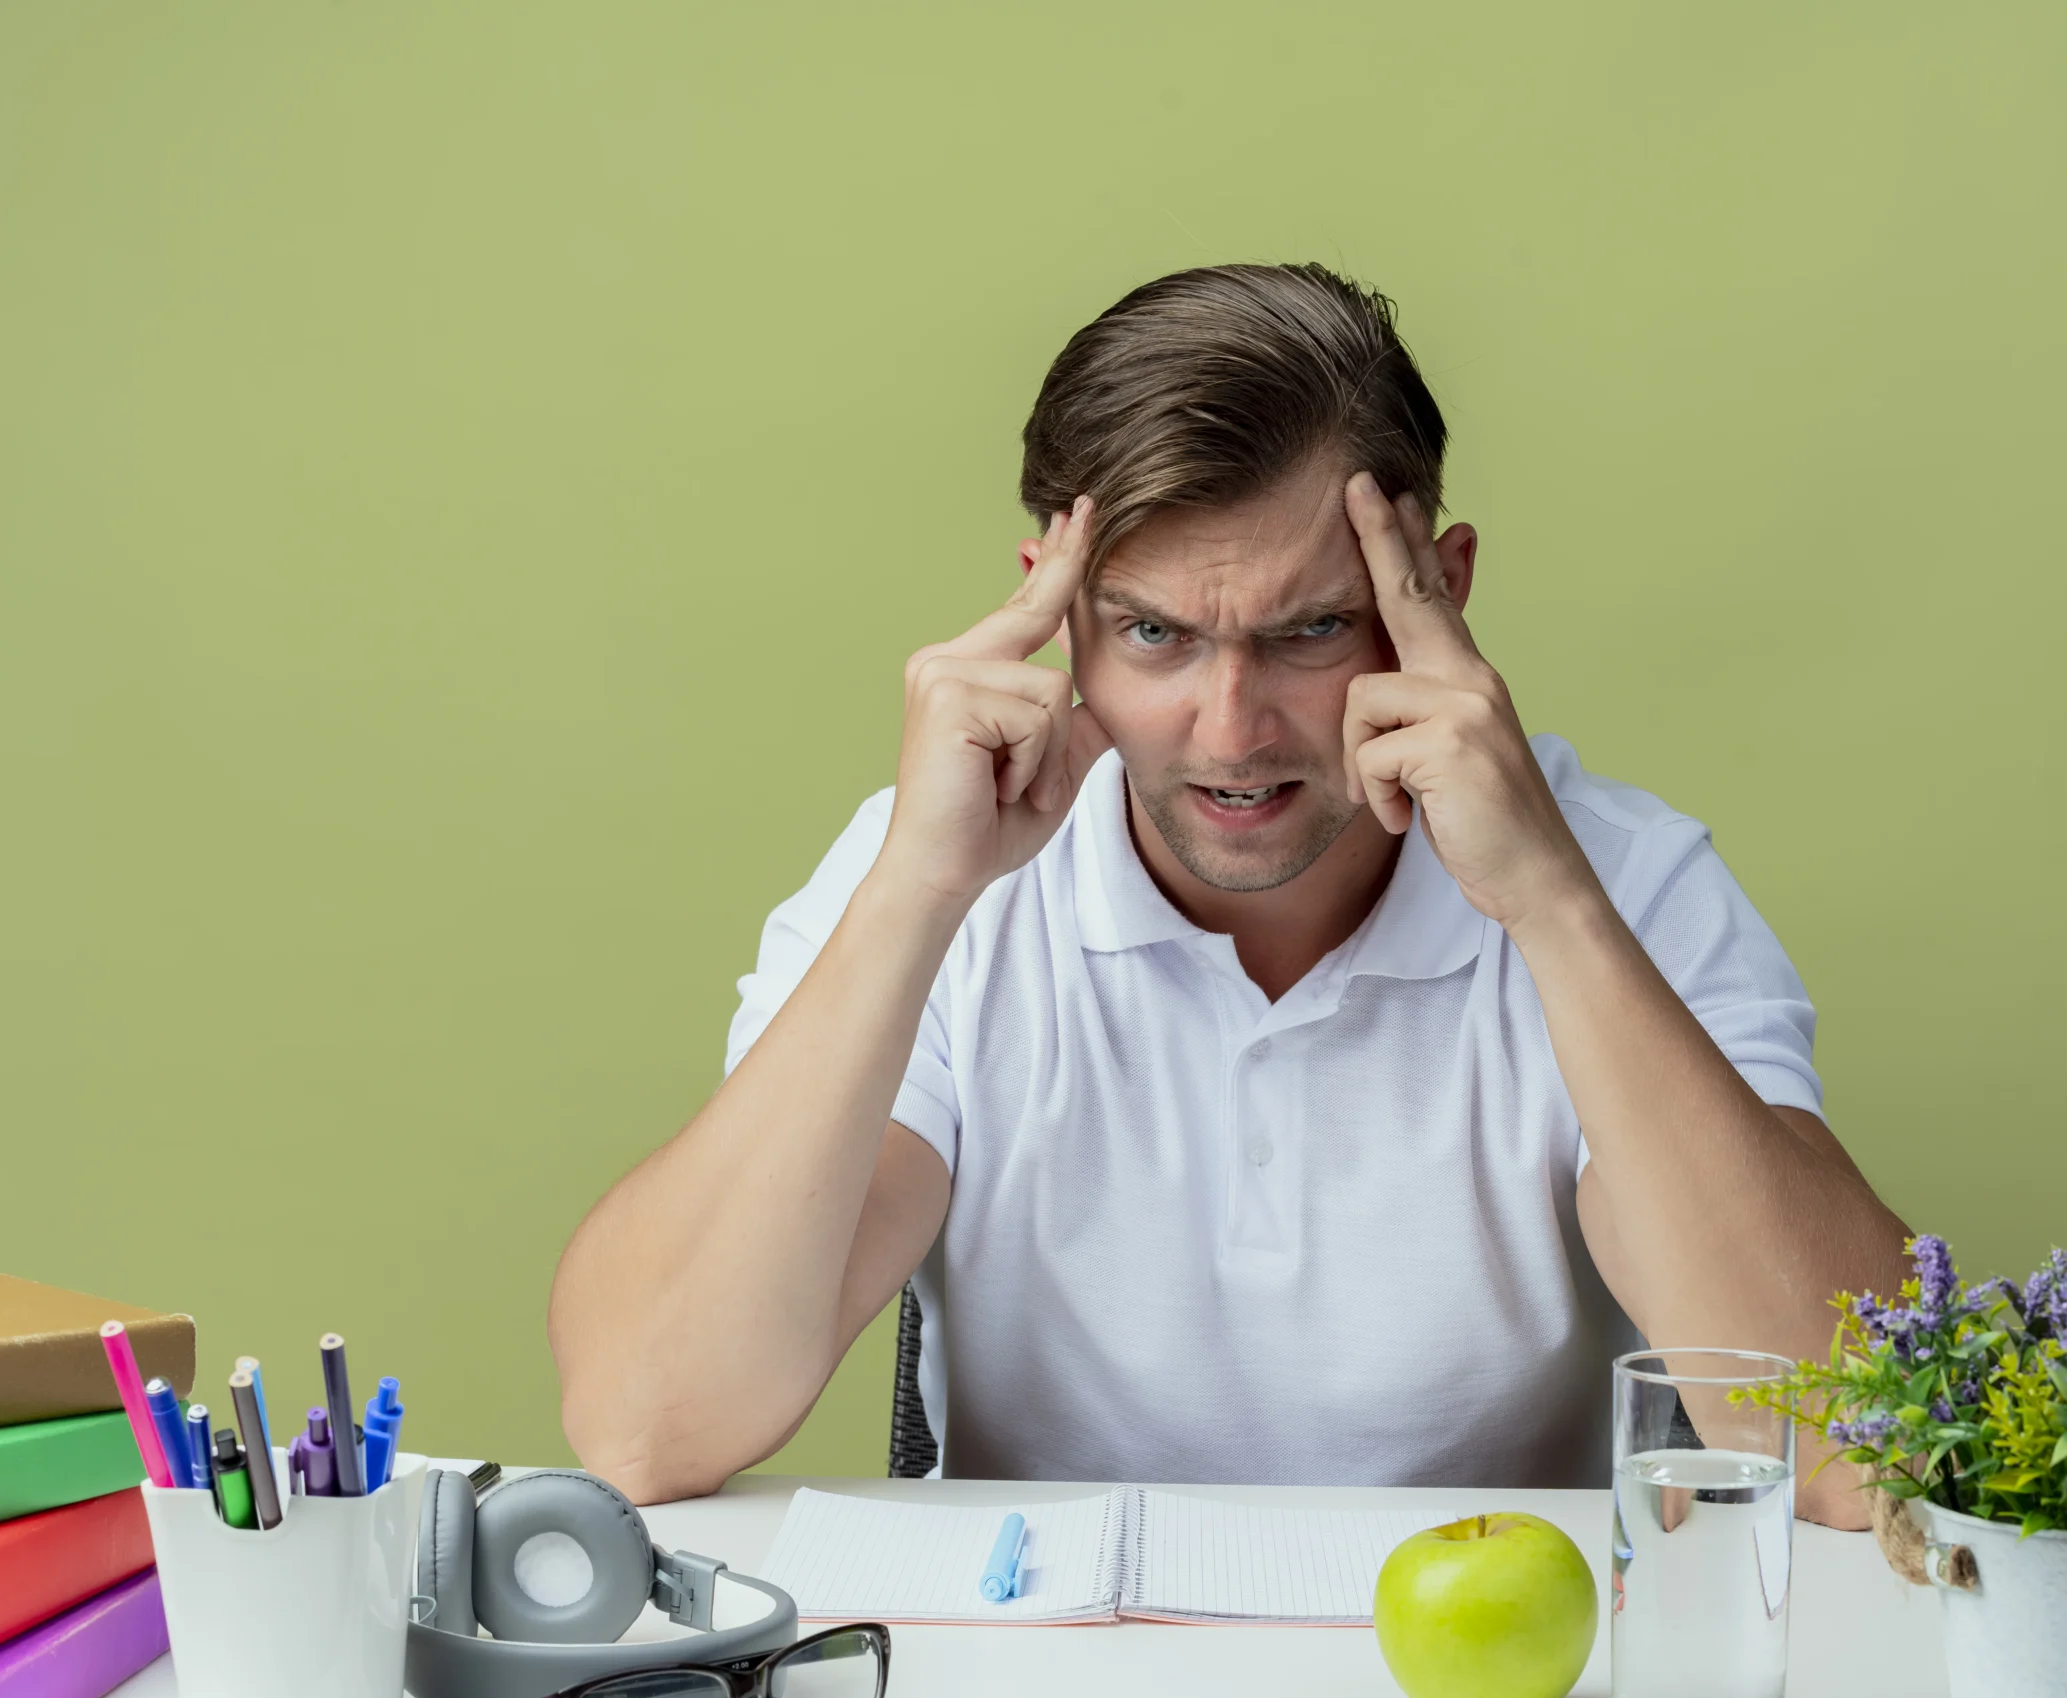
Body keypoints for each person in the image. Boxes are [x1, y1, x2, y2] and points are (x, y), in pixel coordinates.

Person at [550, 263, 1913, 1524]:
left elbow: (1865, 1451)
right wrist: (917, 888)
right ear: (1052, 613)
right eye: (1155, 633)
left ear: (1436, 597)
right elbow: (645, 1423)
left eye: (1309, 629)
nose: (1230, 728)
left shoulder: (1625, 884)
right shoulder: (928, 870)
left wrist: (1553, 907)